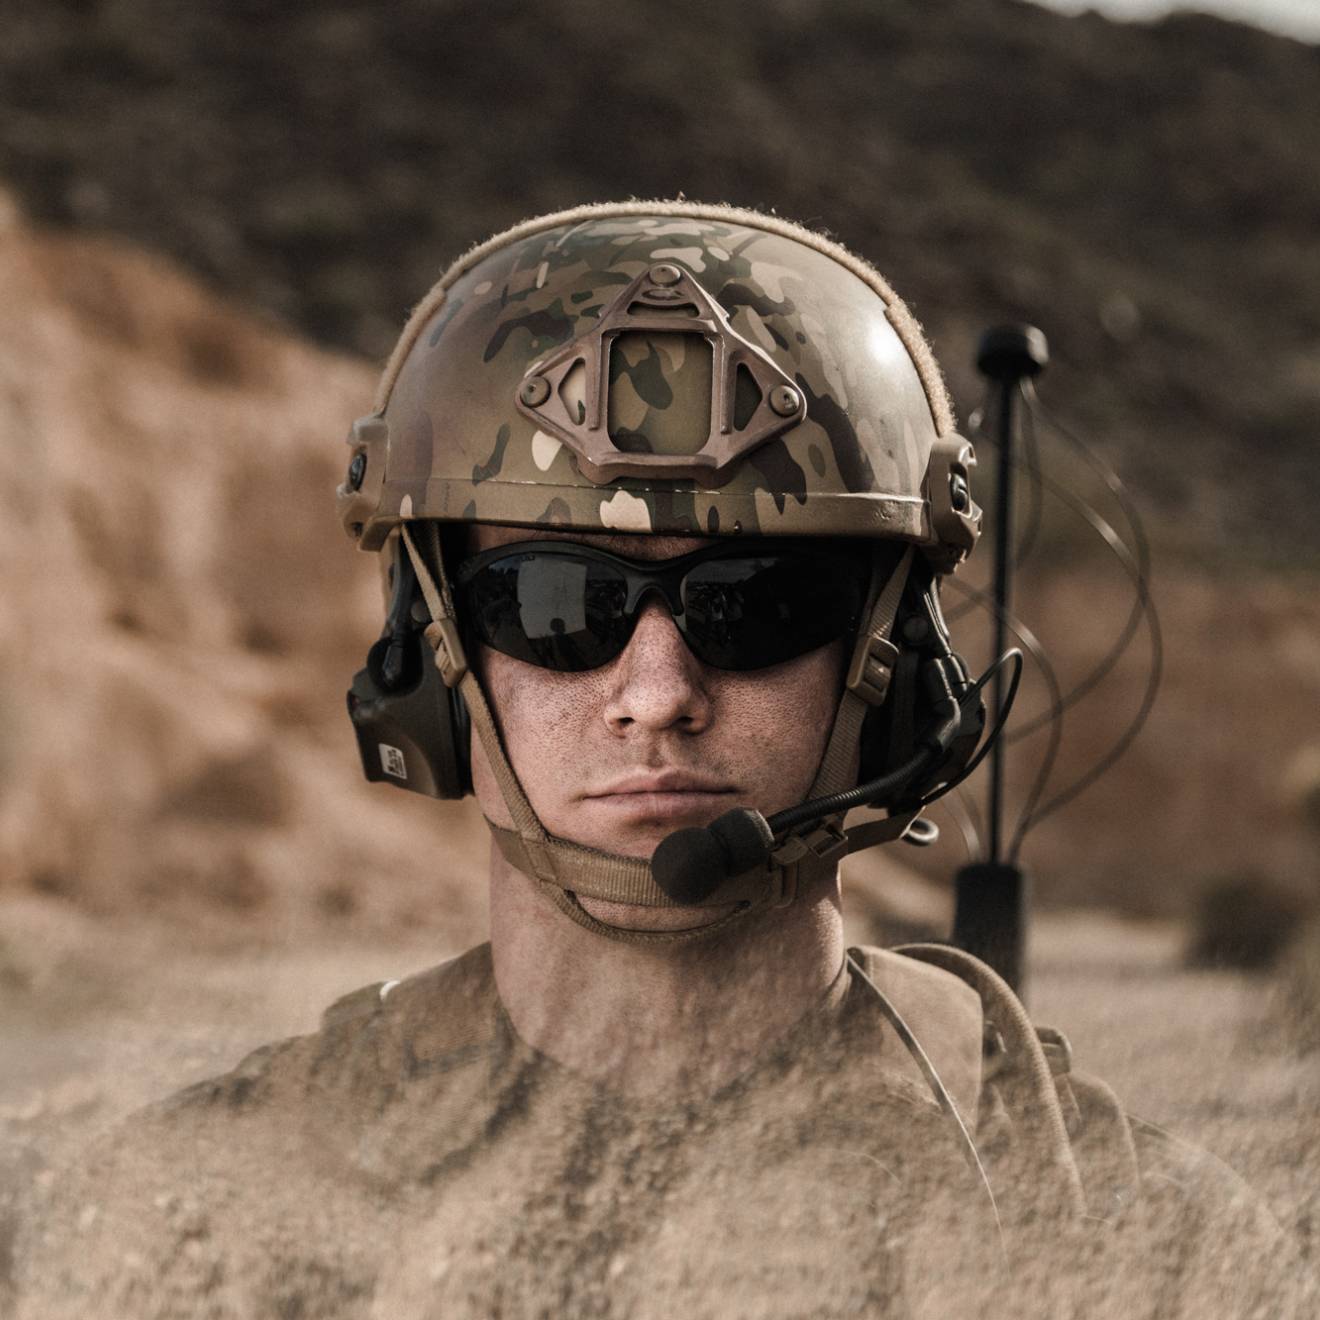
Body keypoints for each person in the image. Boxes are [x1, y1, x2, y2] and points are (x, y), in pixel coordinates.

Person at [11, 203, 1295, 1319]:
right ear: (437, 661)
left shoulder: (1138, 1238)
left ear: (890, 665)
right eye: (559, 606)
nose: (658, 696)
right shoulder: (201, 1216)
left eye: (756, 606)